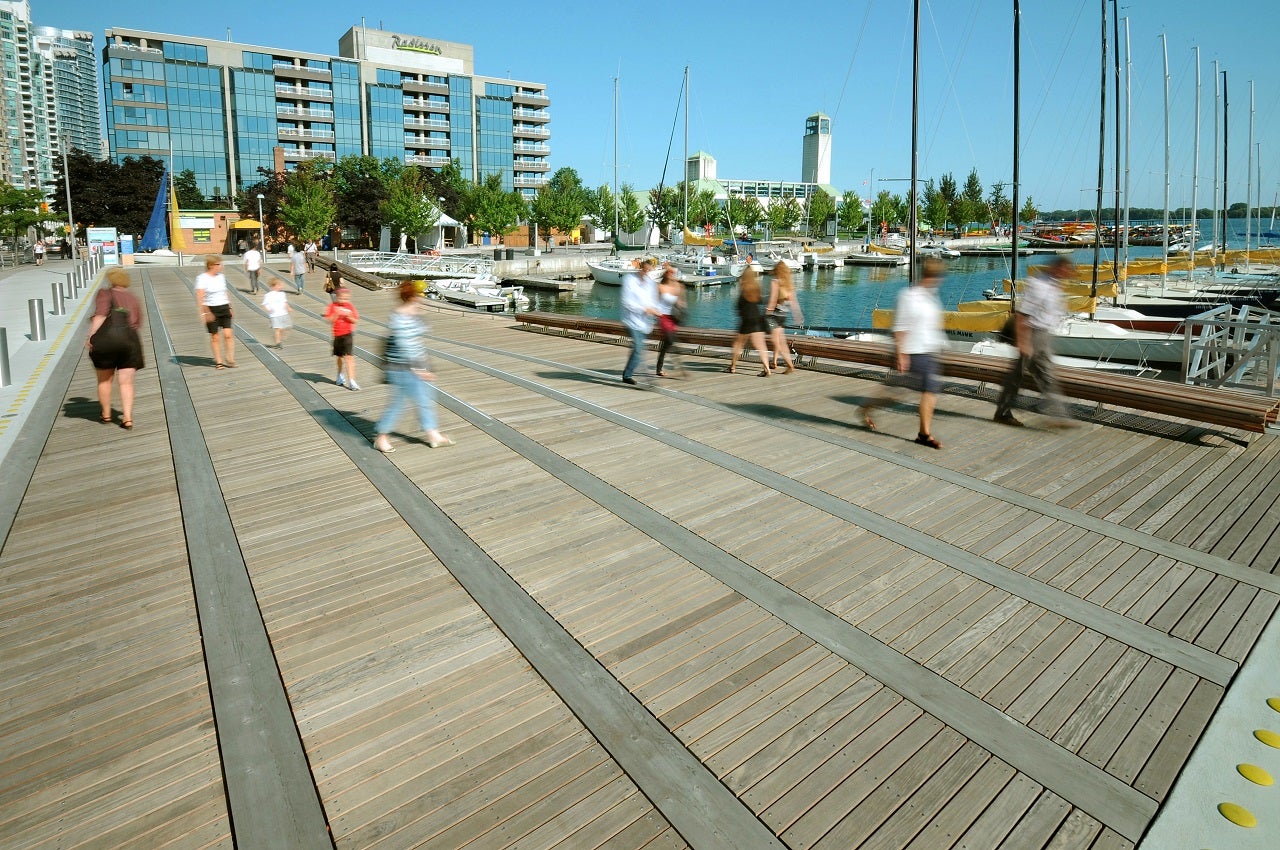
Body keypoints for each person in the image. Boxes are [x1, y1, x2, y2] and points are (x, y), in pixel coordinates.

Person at [862, 258, 947, 448]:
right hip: (910, 352)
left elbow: (932, 326)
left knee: (928, 391)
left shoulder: (931, 297)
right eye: (936, 276)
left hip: (928, 352)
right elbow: (899, 328)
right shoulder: (908, 296)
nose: (938, 280)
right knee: (895, 395)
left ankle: (924, 434)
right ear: (929, 275)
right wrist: (901, 355)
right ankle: (866, 409)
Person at [994, 255, 1077, 427]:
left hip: (1043, 335)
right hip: (1032, 334)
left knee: (1046, 374)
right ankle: (1003, 413)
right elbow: (1022, 316)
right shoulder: (1039, 285)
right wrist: (1024, 343)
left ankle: (1058, 414)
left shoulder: (1053, 284)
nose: (1069, 274)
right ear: (1059, 268)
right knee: (1017, 376)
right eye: (1067, 270)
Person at [373, 280, 453, 452]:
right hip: (402, 367)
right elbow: (404, 345)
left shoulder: (412, 313)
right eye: (419, 296)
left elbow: (419, 337)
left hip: (416, 365)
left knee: (425, 399)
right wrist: (420, 370)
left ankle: (432, 433)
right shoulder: (399, 317)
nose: (422, 299)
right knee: (398, 404)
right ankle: (381, 437)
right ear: (413, 297)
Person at [87, 268, 144, 430]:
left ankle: (106, 414)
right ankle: (127, 418)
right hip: (130, 341)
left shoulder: (105, 294)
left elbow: (100, 315)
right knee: (126, 382)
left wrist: (91, 336)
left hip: (107, 341)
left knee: (105, 379)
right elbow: (137, 323)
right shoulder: (133, 298)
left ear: (111, 280)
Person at [620, 257, 660, 385]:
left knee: (638, 349)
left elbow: (653, 302)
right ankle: (628, 375)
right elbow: (627, 302)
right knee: (638, 348)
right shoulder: (629, 280)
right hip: (630, 321)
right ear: (641, 268)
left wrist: (656, 311)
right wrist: (644, 309)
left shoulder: (651, 284)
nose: (646, 272)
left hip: (644, 323)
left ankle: (627, 374)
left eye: (649, 270)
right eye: (645, 269)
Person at [727, 267, 772, 377]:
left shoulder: (744, 289)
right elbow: (761, 301)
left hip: (746, 320)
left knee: (738, 344)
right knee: (761, 346)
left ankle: (733, 366)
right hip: (757, 319)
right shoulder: (756, 288)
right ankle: (767, 369)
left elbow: (738, 306)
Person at [195, 255, 235, 369]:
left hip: (224, 307)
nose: (221, 266)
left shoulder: (221, 277)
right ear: (211, 265)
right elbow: (200, 296)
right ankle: (219, 361)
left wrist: (230, 307)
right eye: (218, 264)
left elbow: (225, 292)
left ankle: (230, 358)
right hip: (211, 309)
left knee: (228, 335)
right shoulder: (202, 278)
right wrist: (205, 312)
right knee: (215, 336)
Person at [765, 261, 804, 373]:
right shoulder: (788, 284)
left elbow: (772, 300)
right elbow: (794, 303)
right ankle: (777, 362)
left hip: (774, 316)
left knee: (775, 340)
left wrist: (767, 313)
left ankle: (789, 364)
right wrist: (798, 315)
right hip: (783, 316)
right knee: (780, 340)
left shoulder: (775, 282)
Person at [655, 264, 687, 378]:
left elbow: (682, 303)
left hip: (673, 317)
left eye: (673, 272)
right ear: (665, 273)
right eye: (669, 272)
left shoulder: (678, 286)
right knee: (670, 339)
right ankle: (680, 367)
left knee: (667, 344)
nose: (671, 274)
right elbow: (654, 302)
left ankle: (659, 368)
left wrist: (681, 305)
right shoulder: (660, 286)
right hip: (662, 316)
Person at [325, 285, 359, 390]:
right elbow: (329, 320)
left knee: (349, 357)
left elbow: (355, 320)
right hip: (337, 335)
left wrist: (348, 316)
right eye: (341, 298)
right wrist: (336, 313)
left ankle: (352, 381)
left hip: (347, 335)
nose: (344, 301)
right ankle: (340, 375)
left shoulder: (350, 306)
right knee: (339, 357)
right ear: (337, 297)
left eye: (346, 299)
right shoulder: (332, 306)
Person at [261, 278, 292, 349]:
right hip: (275, 315)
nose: (281, 286)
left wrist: (288, 307)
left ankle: (278, 338)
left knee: (286, 327)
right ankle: (278, 343)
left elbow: (285, 302)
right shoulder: (268, 295)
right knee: (277, 329)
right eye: (279, 285)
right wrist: (268, 309)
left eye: (281, 285)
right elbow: (264, 304)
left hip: (284, 313)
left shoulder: (282, 294)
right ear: (273, 286)